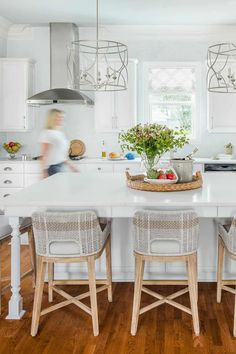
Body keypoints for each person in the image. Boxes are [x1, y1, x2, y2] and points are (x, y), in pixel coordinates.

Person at [39, 108, 78, 178]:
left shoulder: (59, 133)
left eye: (62, 117)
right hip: (52, 168)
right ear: (52, 118)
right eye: (58, 117)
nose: (61, 119)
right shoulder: (46, 133)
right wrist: (43, 172)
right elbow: (43, 155)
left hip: (61, 166)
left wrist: (71, 166)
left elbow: (61, 155)